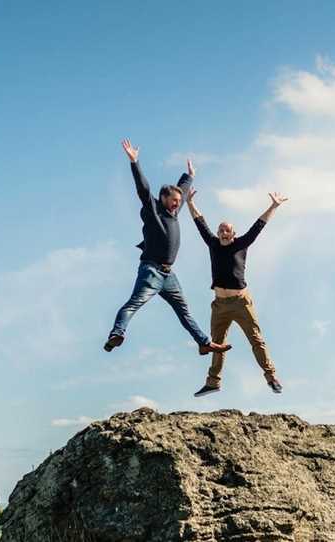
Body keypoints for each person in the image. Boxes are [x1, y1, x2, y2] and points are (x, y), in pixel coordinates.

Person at [104, 139, 232, 356]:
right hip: (151, 270)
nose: (177, 204)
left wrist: (189, 176)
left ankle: (203, 342)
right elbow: (143, 190)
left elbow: (181, 189)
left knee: (184, 311)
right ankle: (116, 333)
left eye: (178, 201)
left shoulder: (174, 209)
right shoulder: (154, 210)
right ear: (163, 199)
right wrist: (135, 162)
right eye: (173, 201)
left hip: (168, 274)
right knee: (134, 303)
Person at [186, 189, 288, 396]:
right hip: (220, 305)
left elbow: (258, 226)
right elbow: (200, 223)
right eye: (221, 230)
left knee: (256, 339)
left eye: (227, 230)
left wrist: (273, 206)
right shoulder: (213, 244)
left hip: (241, 303)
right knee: (216, 344)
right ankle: (213, 382)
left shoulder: (241, 244)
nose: (223, 233)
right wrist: (189, 202)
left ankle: (271, 377)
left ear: (233, 234)